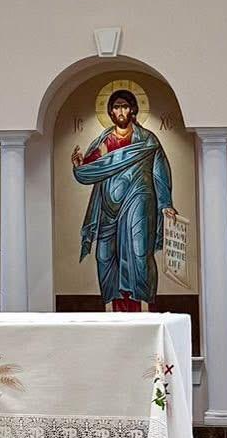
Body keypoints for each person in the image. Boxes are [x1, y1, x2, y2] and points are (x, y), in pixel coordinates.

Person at [71, 88, 174, 310]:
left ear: (133, 110)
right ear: (110, 111)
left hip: (138, 200)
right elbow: (91, 168)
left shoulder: (147, 140)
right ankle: (114, 309)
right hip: (109, 207)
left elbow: (159, 172)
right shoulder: (104, 140)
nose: (120, 111)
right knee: (105, 256)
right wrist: (80, 165)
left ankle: (142, 307)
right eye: (116, 107)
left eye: (125, 106)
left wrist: (165, 204)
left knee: (138, 252)